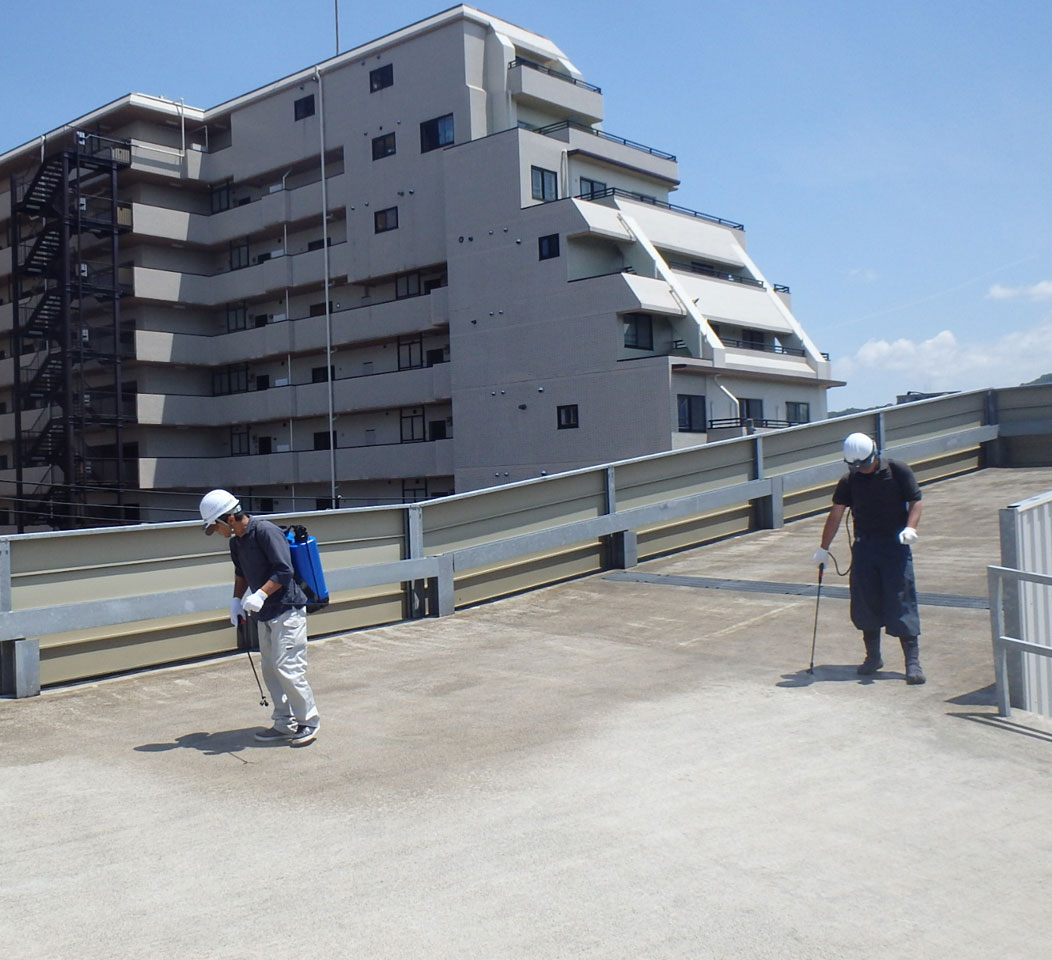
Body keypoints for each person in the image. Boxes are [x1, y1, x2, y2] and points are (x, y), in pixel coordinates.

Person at [199, 489, 321, 743]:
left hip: (288, 609)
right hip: (264, 613)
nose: (216, 533)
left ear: (228, 519)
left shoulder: (266, 532)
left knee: (288, 668)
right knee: (269, 669)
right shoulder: (236, 542)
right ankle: (284, 723)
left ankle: (308, 721)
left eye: (216, 527)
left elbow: (284, 571)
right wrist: (236, 600)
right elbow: (241, 574)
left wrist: (261, 594)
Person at [812, 433, 926, 684]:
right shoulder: (849, 481)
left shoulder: (898, 471)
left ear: (875, 453)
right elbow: (836, 514)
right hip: (865, 547)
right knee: (865, 603)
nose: (861, 470)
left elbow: (915, 500)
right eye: (855, 466)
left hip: (895, 546)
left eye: (864, 464)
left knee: (901, 601)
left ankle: (912, 661)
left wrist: (911, 527)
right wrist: (823, 548)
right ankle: (873, 657)